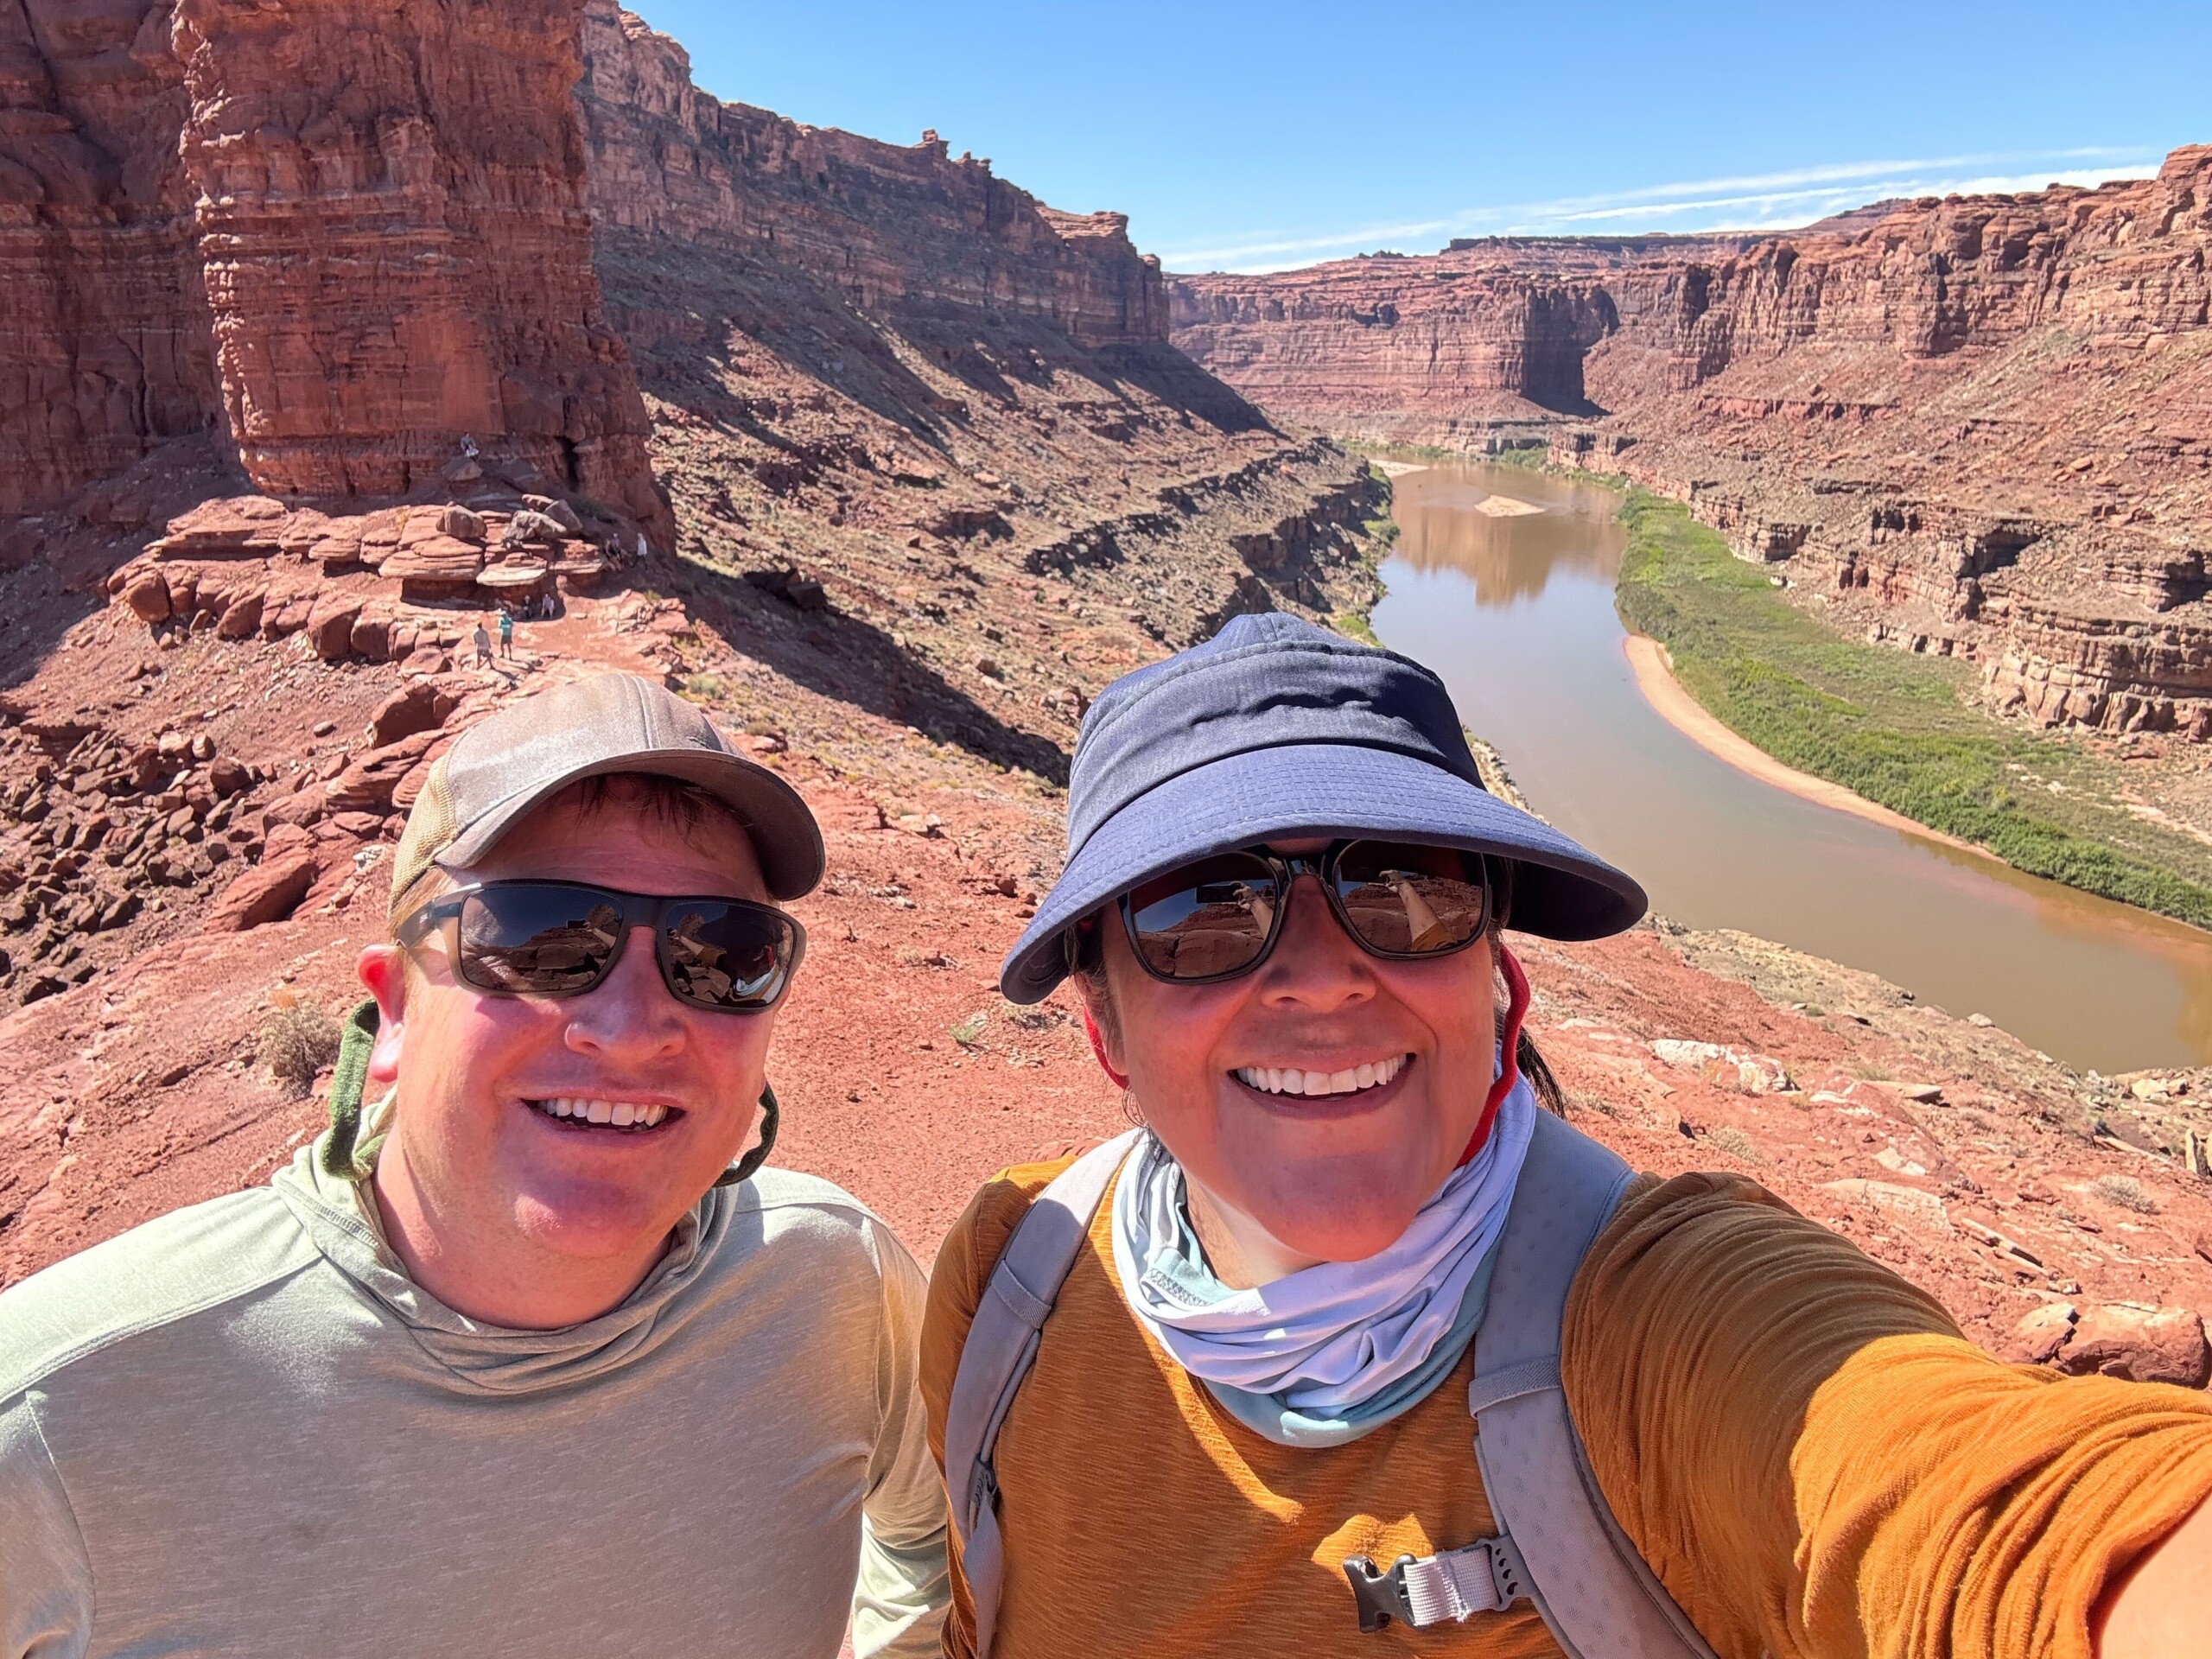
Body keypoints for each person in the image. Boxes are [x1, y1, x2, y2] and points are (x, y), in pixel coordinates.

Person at [921, 613, 2212, 1659]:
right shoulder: (1013, 1278)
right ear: (1105, 1030)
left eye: (1404, 889)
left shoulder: (1655, 1323)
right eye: (1202, 914)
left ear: (1496, 973)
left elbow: (1991, 1517)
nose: (1320, 978)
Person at [0, 673, 949, 1656]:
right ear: (397, 1007)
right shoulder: (56, 1413)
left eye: (721, 954)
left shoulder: (833, 1283)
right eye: (543, 939)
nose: (629, 1032)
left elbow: (933, 1535)